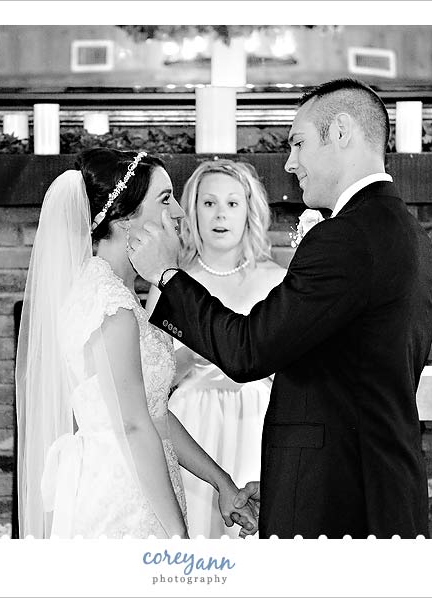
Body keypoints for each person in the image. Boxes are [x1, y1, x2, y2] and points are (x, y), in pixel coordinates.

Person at [128, 78, 432, 539]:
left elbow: (248, 351)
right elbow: (345, 384)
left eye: (297, 143)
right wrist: (285, 482)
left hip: (339, 505)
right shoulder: (412, 237)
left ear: (340, 132)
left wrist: (166, 277)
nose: (290, 163)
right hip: (368, 487)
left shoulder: (345, 238)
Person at [15, 148, 257, 539]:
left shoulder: (123, 294)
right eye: (165, 199)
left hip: (143, 478)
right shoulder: (111, 305)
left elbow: (154, 413)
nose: (179, 212)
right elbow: (133, 426)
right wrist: (180, 542)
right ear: (126, 219)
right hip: (124, 497)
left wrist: (221, 482)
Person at [146, 160, 286, 538]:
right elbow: (148, 375)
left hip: (258, 421)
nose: (220, 214)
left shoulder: (278, 281)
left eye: (232, 204)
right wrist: (190, 356)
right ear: (191, 211)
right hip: (192, 421)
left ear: (249, 212)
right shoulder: (171, 282)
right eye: (209, 204)